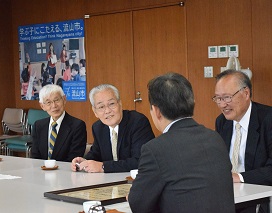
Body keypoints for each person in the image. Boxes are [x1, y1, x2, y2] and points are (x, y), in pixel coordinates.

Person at [128, 73, 235, 213]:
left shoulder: (155, 149)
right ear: (192, 103)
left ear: (156, 111)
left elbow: (138, 204)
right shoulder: (215, 138)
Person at [213, 69, 272, 213]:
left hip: (259, 197)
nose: (222, 105)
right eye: (218, 98)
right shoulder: (221, 122)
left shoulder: (268, 120)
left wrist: (239, 177)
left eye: (227, 97)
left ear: (246, 93)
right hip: (230, 194)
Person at [71, 84, 155, 173]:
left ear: (120, 104)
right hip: (110, 181)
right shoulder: (98, 127)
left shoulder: (137, 122)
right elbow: (95, 154)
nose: (107, 111)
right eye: (101, 107)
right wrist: (84, 162)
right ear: (95, 112)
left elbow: (140, 161)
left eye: (111, 104)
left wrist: (103, 167)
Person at [31, 84, 87, 162]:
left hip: (65, 172)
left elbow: (74, 158)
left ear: (64, 100)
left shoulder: (77, 126)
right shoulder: (38, 125)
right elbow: (35, 156)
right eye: (48, 102)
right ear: (42, 106)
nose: (54, 106)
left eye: (56, 100)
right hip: (42, 171)